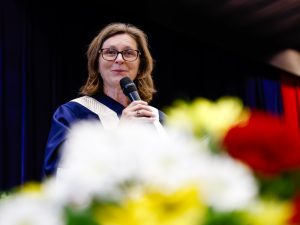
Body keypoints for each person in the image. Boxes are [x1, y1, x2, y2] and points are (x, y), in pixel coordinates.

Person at [43, 22, 166, 177]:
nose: (120, 59)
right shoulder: (73, 114)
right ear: (97, 63)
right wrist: (120, 135)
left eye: (128, 53)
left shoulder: (159, 120)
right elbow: (59, 176)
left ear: (141, 65)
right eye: (110, 52)